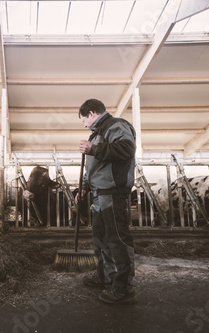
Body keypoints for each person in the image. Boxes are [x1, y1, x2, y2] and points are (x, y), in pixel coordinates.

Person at [75, 98, 136, 304]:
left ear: (92, 113)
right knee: (100, 238)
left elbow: (127, 149)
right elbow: (93, 168)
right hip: (99, 194)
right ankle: (105, 276)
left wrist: (94, 149)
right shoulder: (97, 134)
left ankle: (123, 288)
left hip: (112, 192)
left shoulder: (116, 126)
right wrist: (84, 188)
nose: (84, 124)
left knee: (117, 239)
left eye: (84, 119)